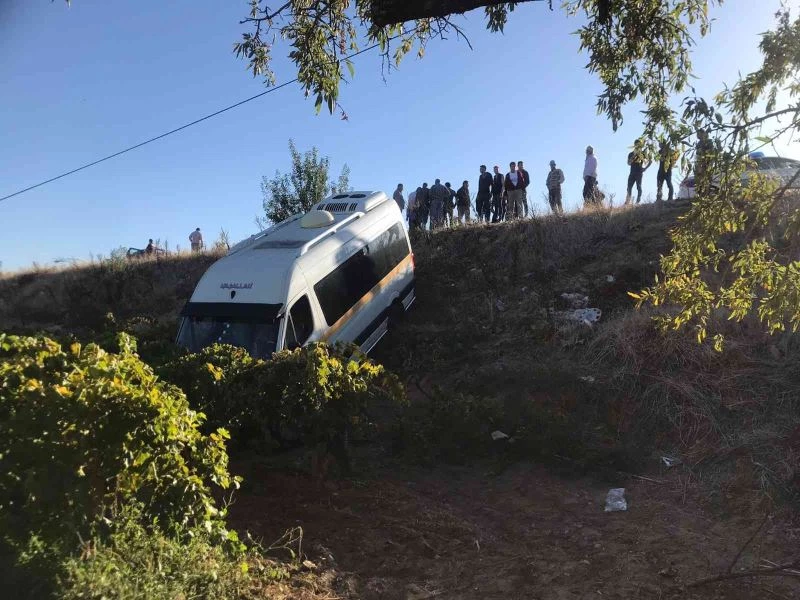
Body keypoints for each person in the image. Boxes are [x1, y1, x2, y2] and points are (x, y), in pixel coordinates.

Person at [626, 140, 651, 204]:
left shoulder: (642, 154)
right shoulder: (631, 154)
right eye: (636, 144)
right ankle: (627, 201)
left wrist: (645, 168)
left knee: (638, 187)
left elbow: (650, 161)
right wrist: (634, 156)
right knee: (629, 187)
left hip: (639, 172)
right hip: (632, 172)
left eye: (639, 145)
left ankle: (638, 201)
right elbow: (628, 163)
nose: (638, 146)